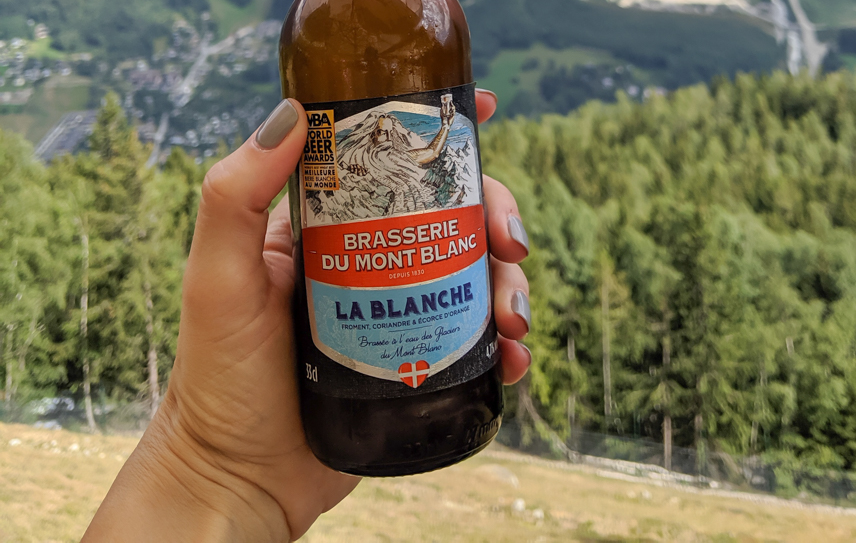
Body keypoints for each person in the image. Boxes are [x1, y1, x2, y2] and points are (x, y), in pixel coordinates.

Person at [82, 91, 530, 542]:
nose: (382, 129)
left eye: (385, 127)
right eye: (378, 127)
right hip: (332, 402)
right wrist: (209, 465)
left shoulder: (399, 149)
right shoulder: (363, 157)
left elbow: (431, 153)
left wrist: (448, 123)